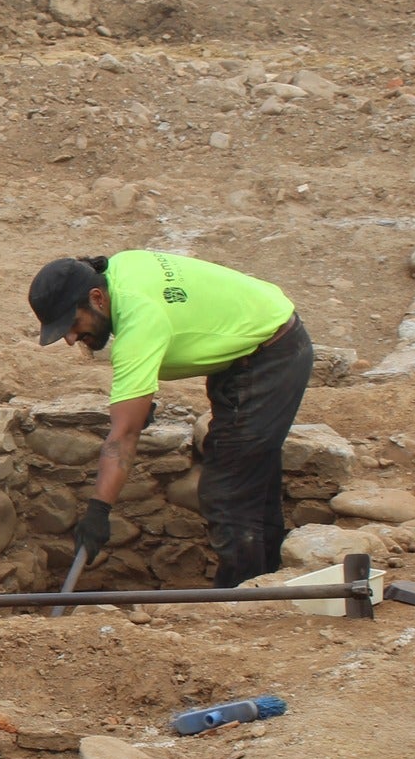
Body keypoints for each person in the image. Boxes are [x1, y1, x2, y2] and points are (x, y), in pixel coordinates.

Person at [28, 251, 313, 590]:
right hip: (248, 348)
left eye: (73, 324)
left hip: (270, 356)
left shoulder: (138, 320)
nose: (71, 339)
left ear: (96, 298)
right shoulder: (117, 272)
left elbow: (124, 435)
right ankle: (269, 582)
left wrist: (99, 511)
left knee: (228, 490)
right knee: (249, 475)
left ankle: (240, 603)